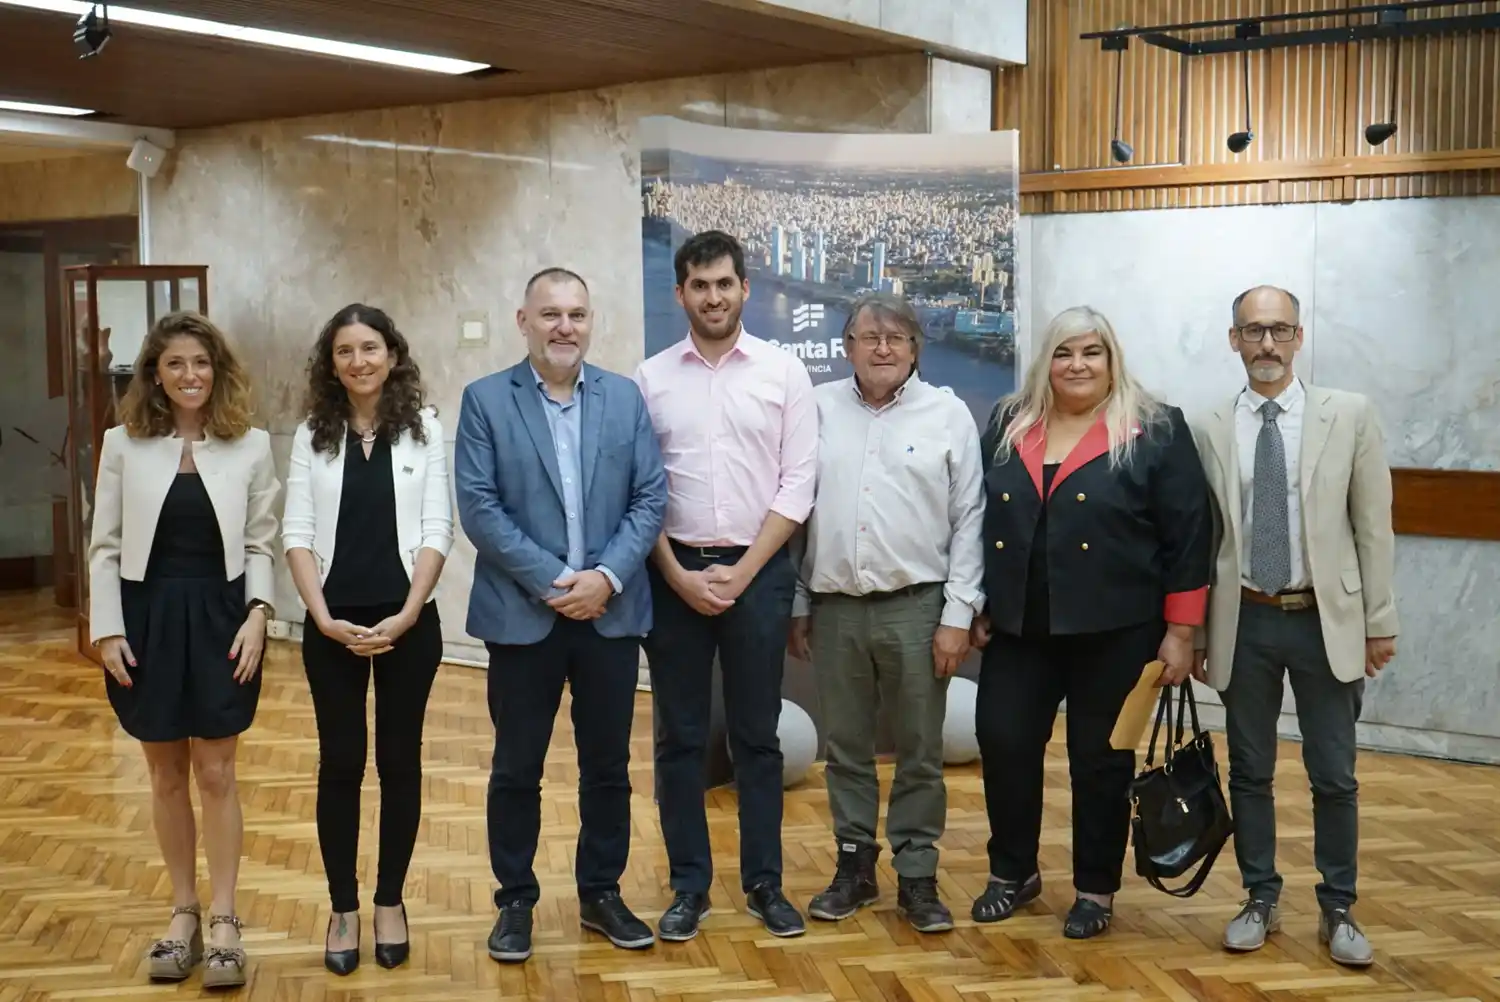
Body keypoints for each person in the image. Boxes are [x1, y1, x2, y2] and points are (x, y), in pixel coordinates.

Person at [969, 305, 1212, 940]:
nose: (1077, 365)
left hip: (1118, 630)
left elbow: (1190, 536)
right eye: (1063, 353)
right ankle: (1013, 873)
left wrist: (1181, 632)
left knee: (1100, 763)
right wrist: (976, 605)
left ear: (1112, 360)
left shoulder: (1155, 428)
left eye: (1091, 353)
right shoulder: (1006, 421)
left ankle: (1095, 888)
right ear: (1045, 361)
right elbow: (980, 522)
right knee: (1004, 744)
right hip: (1020, 628)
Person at [455, 268, 667, 964]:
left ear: (590, 320)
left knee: (608, 768)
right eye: (550, 314)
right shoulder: (486, 401)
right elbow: (481, 510)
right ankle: (514, 902)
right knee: (517, 767)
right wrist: (557, 581)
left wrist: (603, 578)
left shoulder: (625, 399)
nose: (564, 327)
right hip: (525, 617)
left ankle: (601, 893)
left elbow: (650, 500)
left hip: (609, 612)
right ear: (523, 321)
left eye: (576, 313)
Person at [1192, 285, 1397, 967]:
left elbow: (1374, 528)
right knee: (1249, 771)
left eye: (1280, 330)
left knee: (1333, 773)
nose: (1267, 345)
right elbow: (1202, 538)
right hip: (1243, 620)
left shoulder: (1349, 416)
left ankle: (1339, 907)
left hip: (1324, 620)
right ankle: (1260, 896)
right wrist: (1191, 631)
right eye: (1253, 332)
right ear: (1234, 341)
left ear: (1300, 337)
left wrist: (1379, 621)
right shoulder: (1210, 424)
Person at [635, 229, 818, 941]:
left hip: (760, 570)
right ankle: (688, 888)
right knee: (678, 739)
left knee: (757, 737)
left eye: (724, 284)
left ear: (744, 289)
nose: (713, 297)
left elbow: (798, 483)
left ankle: (765, 885)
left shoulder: (782, 373)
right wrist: (677, 573)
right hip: (671, 574)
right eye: (699, 286)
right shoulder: (651, 379)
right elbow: (638, 489)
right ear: (679, 293)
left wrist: (742, 573)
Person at [87, 311, 279, 989]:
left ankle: (226, 920)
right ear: (156, 375)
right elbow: (104, 545)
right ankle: (183, 915)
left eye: (200, 362)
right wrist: (107, 628)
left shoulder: (251, 445)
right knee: (165, 773)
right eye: (175, 364)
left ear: (217, 370)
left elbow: (261, 542)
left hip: (224, 616)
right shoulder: (121, 444)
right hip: (145, 618)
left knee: (218, 772)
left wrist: (260, 614)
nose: (189, 375)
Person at [788, 292, 983, 933]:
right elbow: (794, 512)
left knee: (920, 750)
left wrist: (958, 614)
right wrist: (798, 603)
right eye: (868, 337)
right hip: (835, 608)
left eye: (895, 338)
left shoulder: (947, 415)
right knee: (845, 749)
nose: (881, 348)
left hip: (919, 609)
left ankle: (919, 875)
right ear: (847, 347)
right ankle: (854, 868)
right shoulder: (815, 409)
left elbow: (969, 523)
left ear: (915, 348)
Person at [282, 303, 452, 975]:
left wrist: (409, 613)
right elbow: (296, 532)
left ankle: (389, 902)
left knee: (399, 762)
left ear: (393, 355)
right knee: (342, 764)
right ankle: (343, 908)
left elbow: (439, 528)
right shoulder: (311, 435)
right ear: (331, 364)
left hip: (409, 623)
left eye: (370, 348)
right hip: (333, 625)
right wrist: (321, 618)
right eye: (345, 350)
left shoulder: (425, 430)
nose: (359, 361)